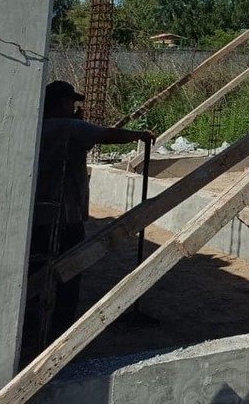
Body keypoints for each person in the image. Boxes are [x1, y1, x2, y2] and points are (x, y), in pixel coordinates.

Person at [25, 80, 154, 352]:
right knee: (69, 273)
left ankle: (33, 329)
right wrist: (139, 135)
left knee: (36, 273)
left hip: (36, 215)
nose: (73, 107)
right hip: (64, 216)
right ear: (60, 104)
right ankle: (61, 334)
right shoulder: (67, 127)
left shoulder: (35, 126)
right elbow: (106, 135)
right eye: (70, 102)